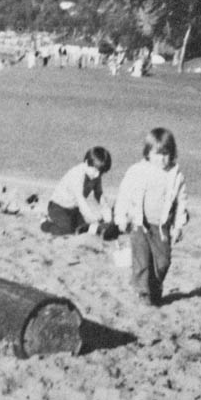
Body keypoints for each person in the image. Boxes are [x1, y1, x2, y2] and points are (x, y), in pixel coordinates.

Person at [114, 128, 189, 307]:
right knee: (142, 261)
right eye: (157, 154)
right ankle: (143, 292)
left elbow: (182, 202)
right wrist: (121, 218)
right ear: (148, 153)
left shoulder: (175, 175)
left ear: (172, 154)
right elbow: (124, 194)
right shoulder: (137, 170)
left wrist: (178, 226)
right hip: (139, 223)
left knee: (163, 261)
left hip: (161, 227)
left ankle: (154, 289)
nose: (161, 159)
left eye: (166, 154)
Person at [41, 147, 114, 236]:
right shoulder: (77, 175)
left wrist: (106, 209)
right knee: (67, 230)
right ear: (87, 163)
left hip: (74, 209)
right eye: (95, 170)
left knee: (82, 228)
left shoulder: (95, 175)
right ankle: (45, 223)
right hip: (58, 207)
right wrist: (92, 217)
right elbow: (81, 200)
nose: (97, 175)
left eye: (100, 172)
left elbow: (99, 194)